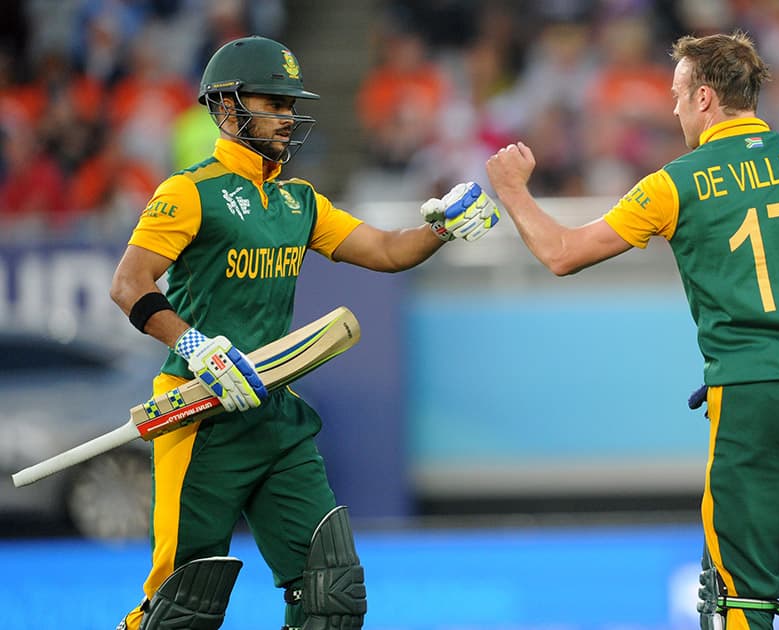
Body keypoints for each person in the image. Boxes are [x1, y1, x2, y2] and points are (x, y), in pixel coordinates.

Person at [486, 31, 779, 630]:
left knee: (739, 600)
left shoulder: (676, 182)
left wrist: (513, 191)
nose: (671, 108)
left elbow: (563, 253)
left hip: (750, 397)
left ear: (703, 98)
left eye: (675, 94)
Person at [110, 35, 500, 630]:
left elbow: (388, 250)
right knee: (181, 610)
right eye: (273, 102)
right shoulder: (189, 192)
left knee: (331, 594)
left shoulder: (300, 201)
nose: (288, 117)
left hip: (273, 412)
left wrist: (442, 226)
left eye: (291, 105)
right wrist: (197, 348)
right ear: (226, 107)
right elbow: (129, 283)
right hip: (201, 415)